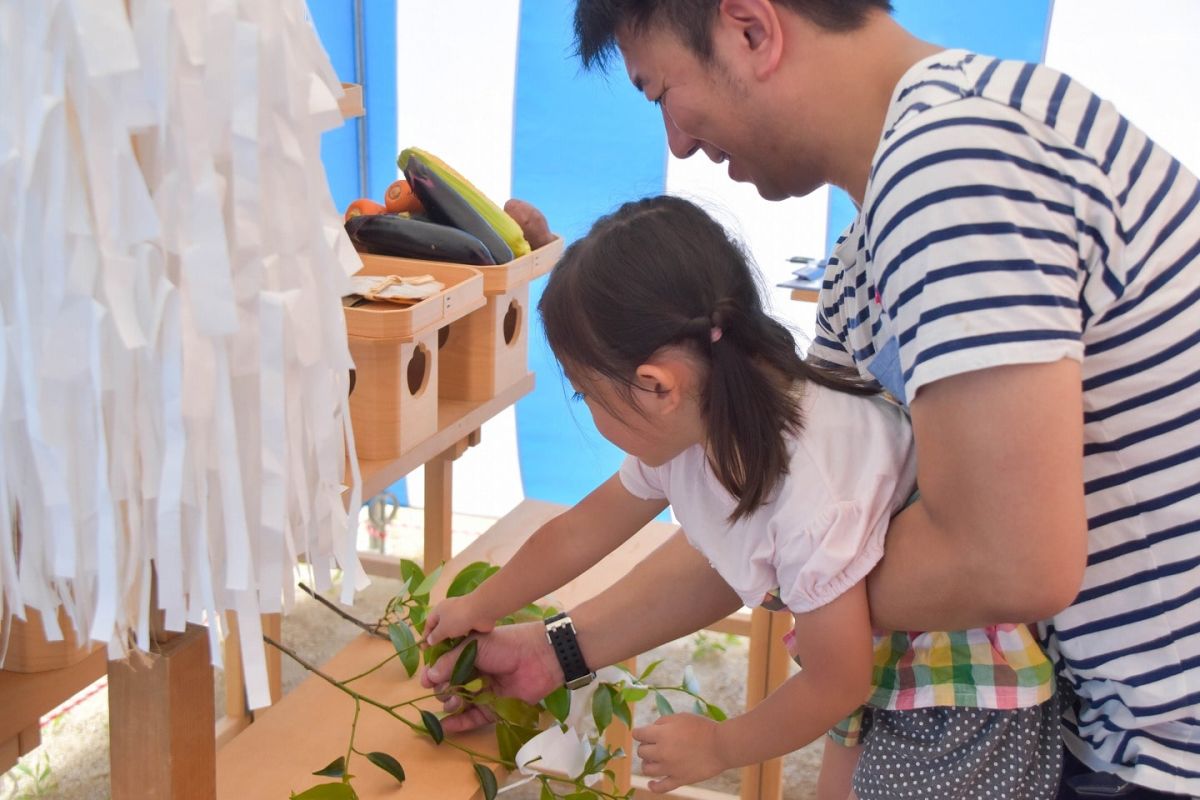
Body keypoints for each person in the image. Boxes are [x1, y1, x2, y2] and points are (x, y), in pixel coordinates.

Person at [425, 2, 1200, 798]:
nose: (678, 142)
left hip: (1161, 748)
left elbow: (1006, 562)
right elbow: (761, 508)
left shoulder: (954, 168)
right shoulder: (876, 241)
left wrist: (818, 598)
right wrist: (555, 649)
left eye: (660, 92)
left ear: (751, 29)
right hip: (1098, 721)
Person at [426, 195, 1063, 799]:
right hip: (867, 648)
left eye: (585, 393)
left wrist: (723, 746)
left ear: (655, 385)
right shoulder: (694, 425)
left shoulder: (812, 498)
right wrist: (481, 604)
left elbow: (837, 681)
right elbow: (579, 531)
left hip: (963, 696)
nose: (588, 411)